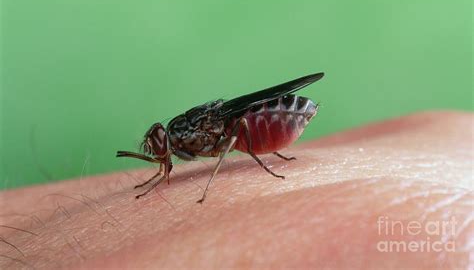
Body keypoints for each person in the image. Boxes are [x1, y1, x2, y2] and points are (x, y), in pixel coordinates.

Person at [0, 111, 472, 269]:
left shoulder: (192, 133)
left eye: (159, 148)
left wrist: (258, 168)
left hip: (267, 123)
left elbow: (232, 128)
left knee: (237, 128)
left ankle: (267, 159)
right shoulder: (180, 139)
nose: (159, 149)